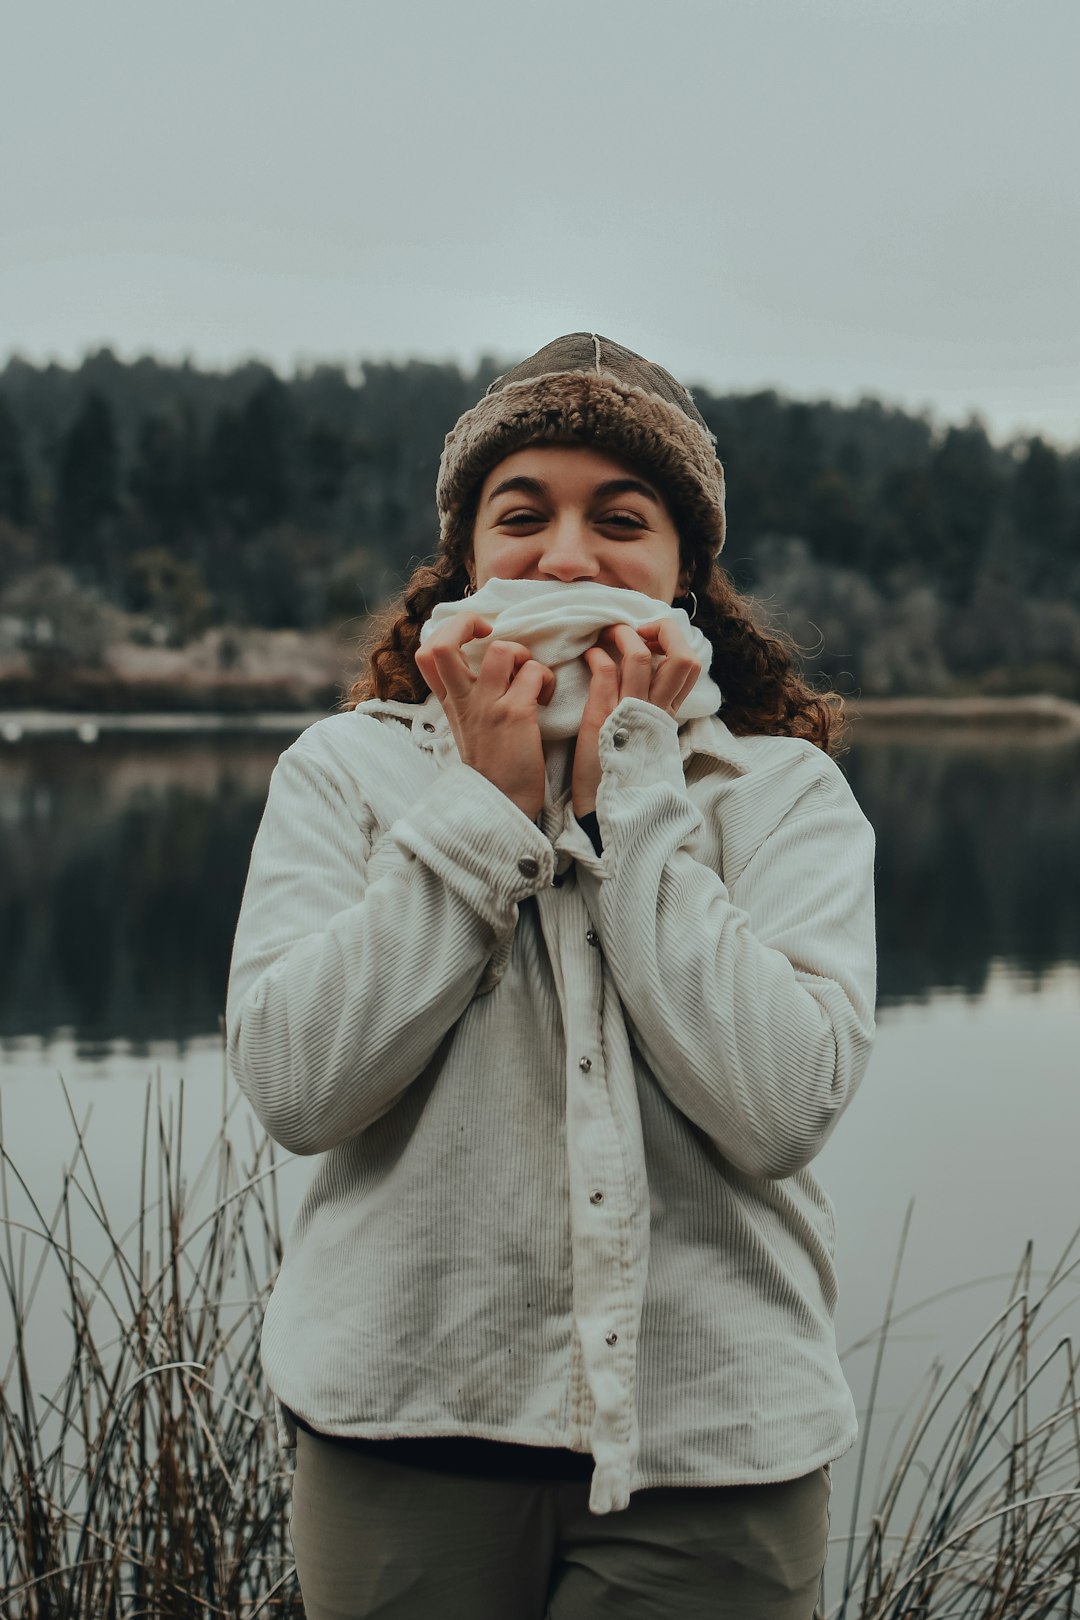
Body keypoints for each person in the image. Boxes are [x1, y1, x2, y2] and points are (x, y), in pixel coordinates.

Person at [226, 333, 877, 1619]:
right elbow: (300, 1091)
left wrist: (636, 801)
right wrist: (480, 812)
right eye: (522, 515)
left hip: (717, 1457)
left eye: (620, 521)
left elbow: (783, 1108)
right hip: (403, 1436)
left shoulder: (783, 794)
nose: (568, 559)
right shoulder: (343, 773)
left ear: (688, 568)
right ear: (465, 558)